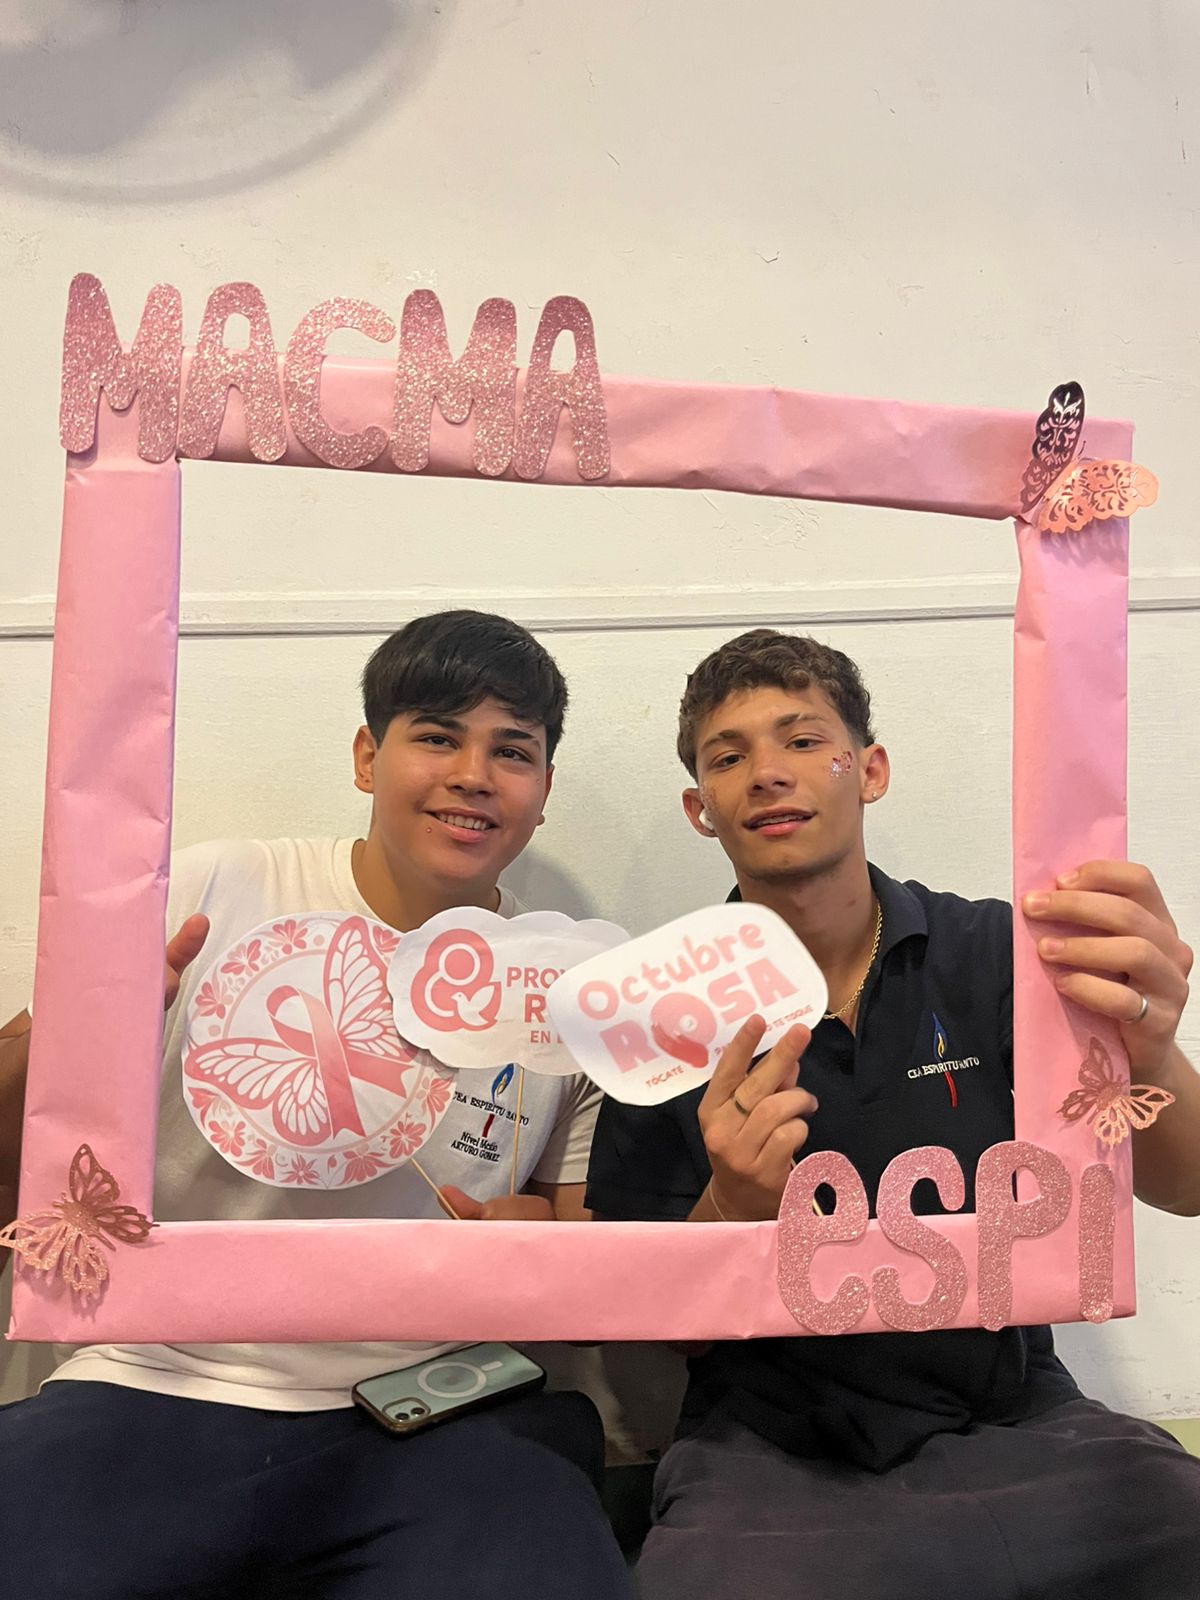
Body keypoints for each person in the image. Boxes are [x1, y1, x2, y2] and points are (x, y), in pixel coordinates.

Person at [0, 609, 634, 1600]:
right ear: (366, 757)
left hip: (440, 1406)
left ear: (542, 792)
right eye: (437, 736)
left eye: (512, 751)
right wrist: (78, 1039)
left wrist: (541, 1246)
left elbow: (581, 1255)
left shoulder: (576, 989)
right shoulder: (213, 888)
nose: (474, 774)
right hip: (153, 1378)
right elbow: (17, 1159)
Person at [586, 627, 1200, 1600]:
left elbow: (1188, 1185)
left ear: (869, 770)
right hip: (767, 1451)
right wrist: (730, 1210)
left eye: (802, 739)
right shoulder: (655, 1017)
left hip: (1021, 1417)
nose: (768, 772)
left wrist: (1152, 1051)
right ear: (701, 809)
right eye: (728, 757)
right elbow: (639, 1324)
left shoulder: (999, 952)